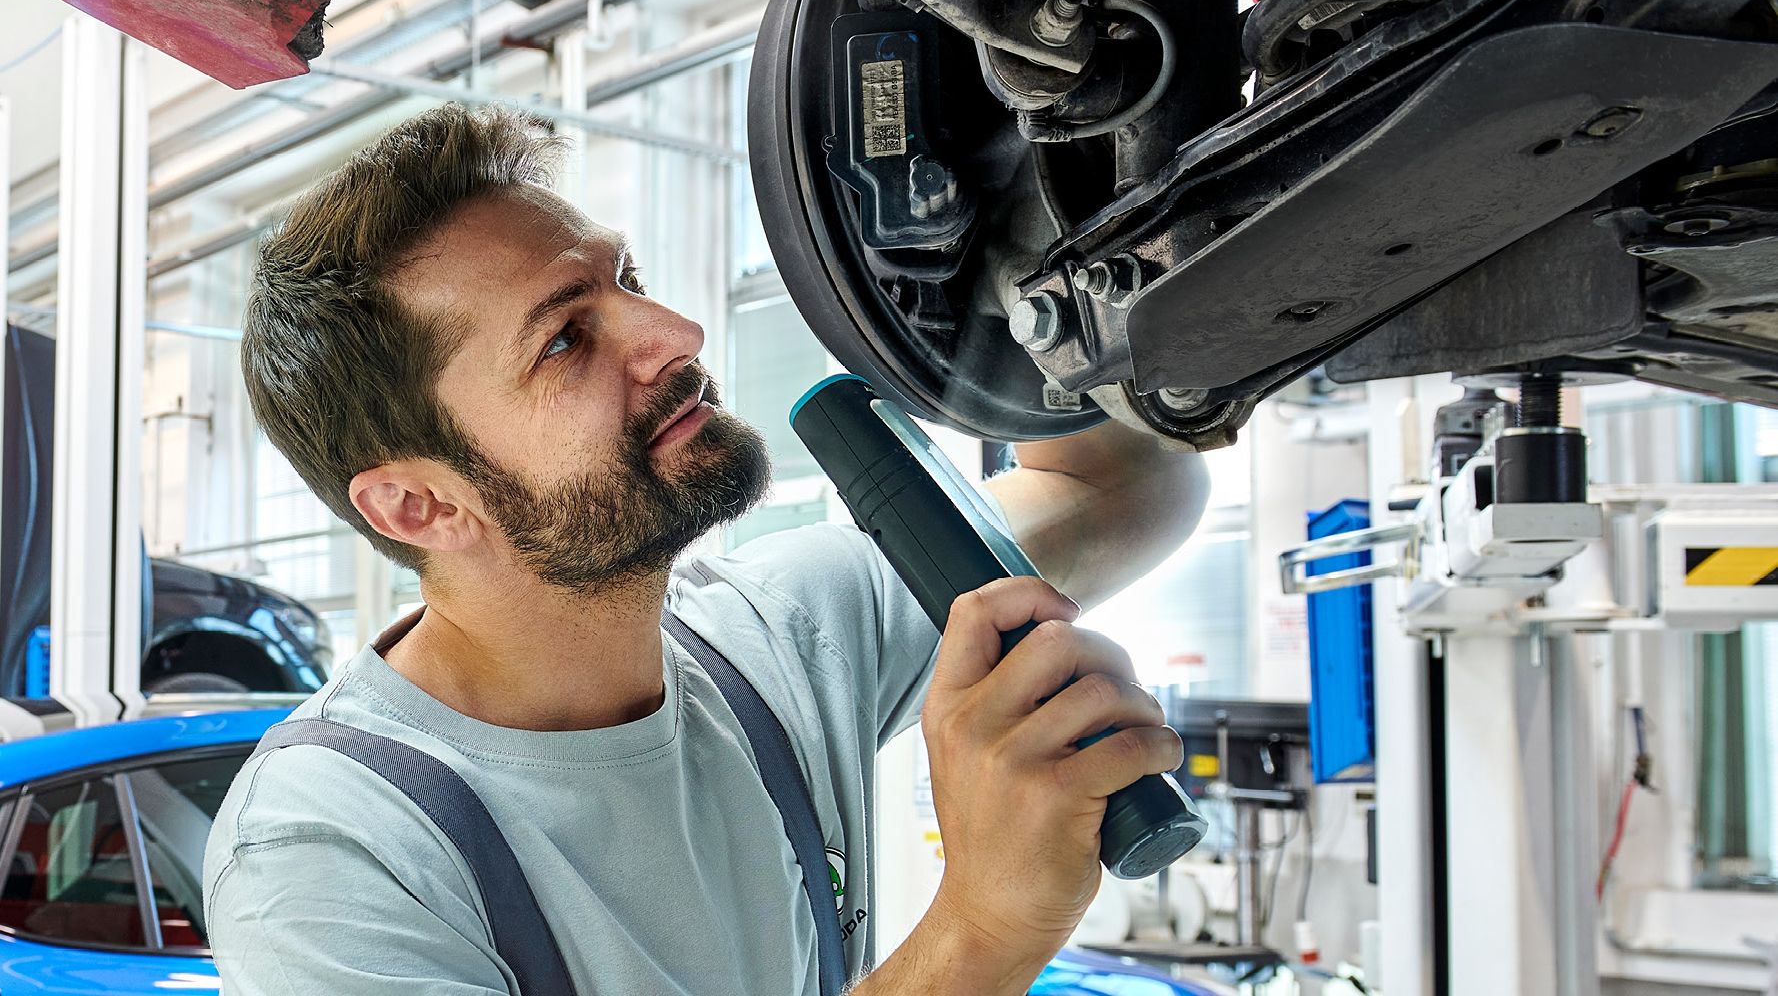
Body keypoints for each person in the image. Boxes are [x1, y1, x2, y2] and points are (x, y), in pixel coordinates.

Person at [202, 103, 1209, 995]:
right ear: (418, 503)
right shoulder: (328, 850)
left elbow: (1122, 483)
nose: (674, 330)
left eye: (626, 278)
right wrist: (982, 929)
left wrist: (1011, 257)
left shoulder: (781, 634)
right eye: (564, 338)